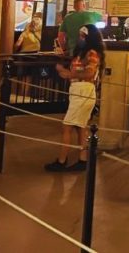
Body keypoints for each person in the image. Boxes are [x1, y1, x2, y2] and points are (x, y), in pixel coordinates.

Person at [45, 26, 105, 172]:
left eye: (83, 36)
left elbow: (89, 73)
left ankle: (62, 160)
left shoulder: (91, 53)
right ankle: (82, 159)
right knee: (80, 127)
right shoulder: (83, 53)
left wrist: (68, 73)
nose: (80, 39)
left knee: (67, 126)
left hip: (83, 91)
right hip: (79, 90)